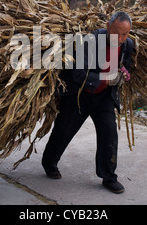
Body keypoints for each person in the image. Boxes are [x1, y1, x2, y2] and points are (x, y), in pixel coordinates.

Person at [41, 11, 134, 194]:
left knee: (109, 134)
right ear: (108, 27)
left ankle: (109, 177)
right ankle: (49, 163)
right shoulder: (89, 41)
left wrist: (124, 74)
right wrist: (107, 79)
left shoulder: (127, 45)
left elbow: (126, 65)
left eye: (125, 34)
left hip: (104, 98)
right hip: (80, 94)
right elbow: (78, 74)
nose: (120, 38)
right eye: (116, 33)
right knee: (64, 130)